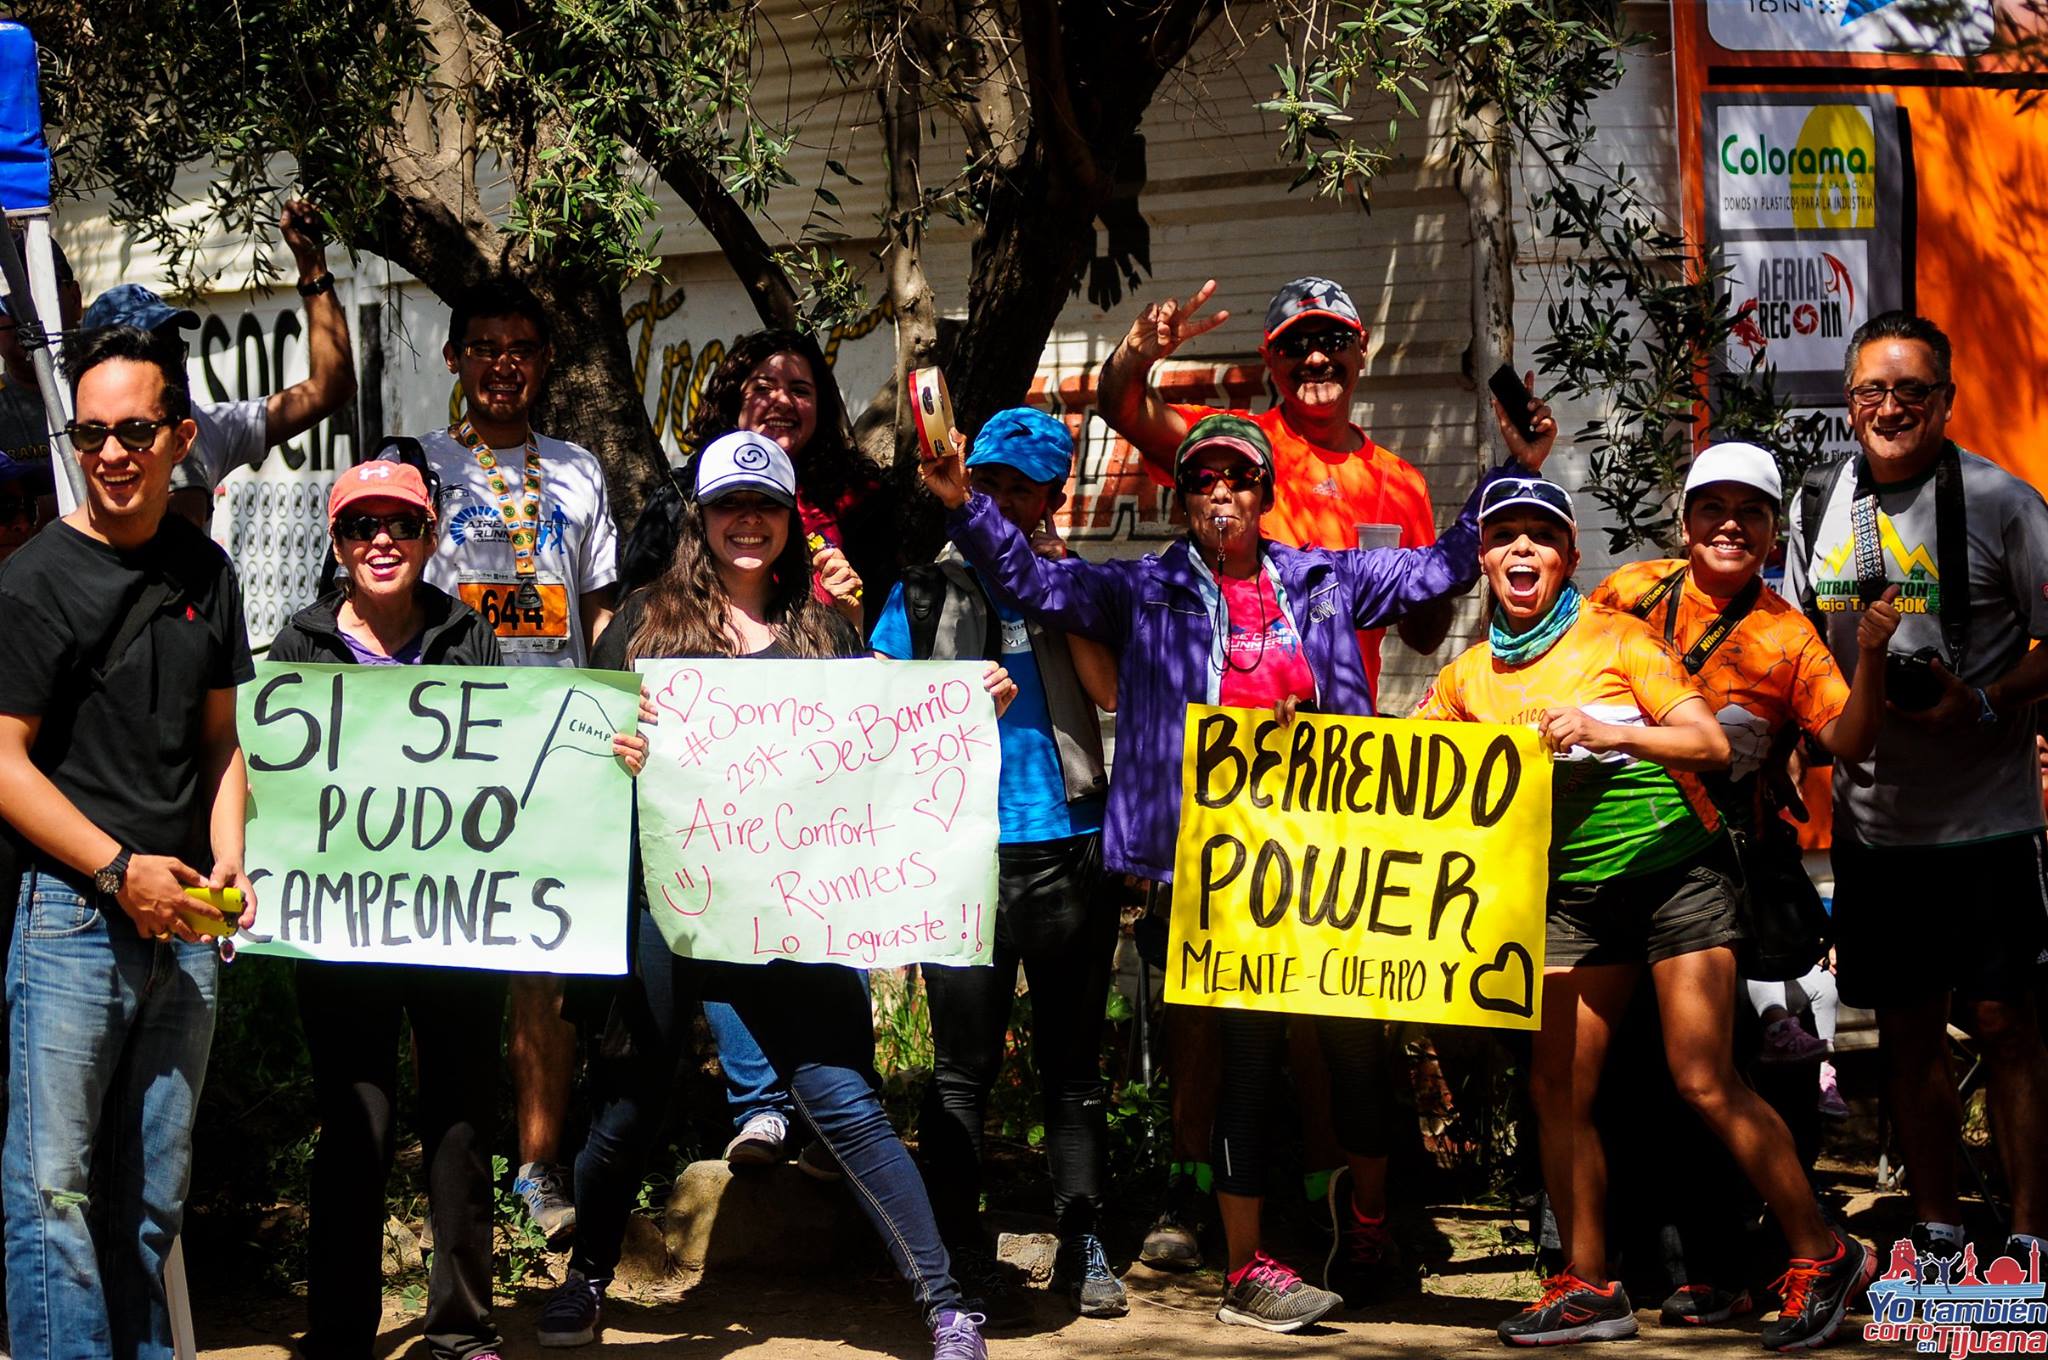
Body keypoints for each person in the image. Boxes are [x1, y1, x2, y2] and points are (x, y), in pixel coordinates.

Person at [922, 410, 1530, 1332]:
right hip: (1219, 873)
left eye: (1238, 479)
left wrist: (1508, 472)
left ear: (1263, 494)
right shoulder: (1143, 590)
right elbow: (1034, 582)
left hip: (1336, 863)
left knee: (1356, 1057)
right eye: (1203, 479)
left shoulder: (1327, 580)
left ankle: (1365, 1224)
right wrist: (968, 504)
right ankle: (1250, 1271)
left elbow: (1441, 566)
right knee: (1243, 1055)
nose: (1221, 493)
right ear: (1183, 498)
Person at [541, 431, 992, 1360]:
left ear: (790, 520)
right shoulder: (639, 625)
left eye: (766, 506)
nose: (747, 522)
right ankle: (586, 1278)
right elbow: (584, 757)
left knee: (844, 1099)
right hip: (667, 900)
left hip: (788, 908)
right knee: (628, 1104)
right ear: (700, 520)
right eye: (728, 506)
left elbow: (876, 746)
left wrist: (963, 699)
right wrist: (615, 752)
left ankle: (946, 1307)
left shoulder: (826, 631)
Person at [1412, 462, 1873, 1348]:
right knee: (1558, 1089)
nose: (1523, 548)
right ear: (1482, 555)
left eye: (1541, 537)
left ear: (1567, 556)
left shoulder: (1618, 638)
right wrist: (1295, 727)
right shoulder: (1468, 676)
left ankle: (1822, 1252)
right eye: (1506, 535)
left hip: (1675, 872)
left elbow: (1703, 741)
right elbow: (1400, 772)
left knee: (1702, 1078)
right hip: (1571, 897)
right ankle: (1588, 1283)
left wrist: (1608, 730)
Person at [1097, 276, 1449, 1261]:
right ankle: (1186, 1185)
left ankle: (1325, 1189)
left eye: (1333, 341)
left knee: (1331, 998)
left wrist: (1413, 589)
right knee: (1212, 1001)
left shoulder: (1400, 482)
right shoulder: (1237, 445)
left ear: (1361, 350)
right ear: (1271, 360)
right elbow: (1124, 406)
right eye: (1297, 345)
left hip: (1337, 769)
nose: (1316, 360)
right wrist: (1139, 347)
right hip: (1223, 780)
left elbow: (1422, 612)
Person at [269, 460, 612, 1360]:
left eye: (401, 525)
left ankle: (461, 1330)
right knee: (355, 1123)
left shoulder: (470, 637)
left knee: (460, 1123)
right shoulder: (297, 646)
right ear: (337, 546)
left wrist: (605, 751)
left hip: (457, 923)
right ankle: (341, 1331)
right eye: (359, 527)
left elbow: (506, 762)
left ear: (428, 538)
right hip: (340, 926)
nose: (380, 541)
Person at [1581, 436, 1900, 1326]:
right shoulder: (1628, 594)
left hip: (1724, 870)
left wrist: (1872, 651)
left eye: (1750, 513)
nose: (1729, 525)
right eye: (1712, 509)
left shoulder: (1788, 636)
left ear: (1770, 536)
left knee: (1710, 1075)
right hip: (1614, 859)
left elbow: (1848, 743)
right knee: (1634, 1073)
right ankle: (1653, 1263)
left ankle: (1730, 1261)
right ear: (1684, 523)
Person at [0, 324, 258, 1357]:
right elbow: (3, 763)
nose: (112, 452)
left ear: (179, 436)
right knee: (49, 1195)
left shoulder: (208, 566)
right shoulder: (32, 582)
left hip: (186, 919)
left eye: (135, 431)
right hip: (67, 918)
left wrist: (227, 854)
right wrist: (115, 870)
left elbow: (222, 744)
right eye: (92, 432)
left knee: (147, 1206)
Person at [1786, 310, 2048, 1270]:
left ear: (1945, 400)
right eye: (1870, 391)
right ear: (1849, 402)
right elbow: (1795, 650)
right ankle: (1937, 1229)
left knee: (2004, 1023)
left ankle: (2032, 1235)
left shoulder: (2003, 502)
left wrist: (1978, 701)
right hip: (1873, 825)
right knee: (1902, 1027)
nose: (1888, 408)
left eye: (1911, 391)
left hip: (1986, 822)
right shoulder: (1822, 500)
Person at [870, 406, 1122, 1323]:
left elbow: (1106, 690)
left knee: (1072, 1064)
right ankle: (955, 1249)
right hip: (960, 853)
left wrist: (1060, 587)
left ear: (1056, 497)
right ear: (970, 484)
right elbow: (880, 713)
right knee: (961, 1068)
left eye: (1028, 486)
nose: (1008, 500)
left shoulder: (1068, 584)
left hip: (1067, 841)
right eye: (995, 482)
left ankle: (1083, 1238)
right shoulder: (924, 591)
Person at [617, 327, 873, 1170]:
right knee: (725, 924)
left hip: (810, 793)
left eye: (801, 387)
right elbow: (640, 625)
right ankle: (762, 1106)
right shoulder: (672, 519)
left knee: (827, 929)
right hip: (703, 796)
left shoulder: (856, 499)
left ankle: (836, 1107)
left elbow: (876, 675)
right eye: (764, 384)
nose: (782, 400)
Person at [398, 278, 621, 1245]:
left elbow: (603, 608)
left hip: (557, 746)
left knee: (543, 966)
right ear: (454, 359)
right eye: (482, 346)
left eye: (521, 347)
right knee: (446, 957)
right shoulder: (417, 467)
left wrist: (615, 710)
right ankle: (446, 1162)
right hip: (446, 745)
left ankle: (537, 1171)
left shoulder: (576, 469)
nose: (502, 364)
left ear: (544, 363)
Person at [75, 200, 357, 531]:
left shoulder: (207, 429)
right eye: (143, 353)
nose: (167, 365)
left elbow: (330, 387)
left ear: (182, 441)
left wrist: (313, 268)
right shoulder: (77, 449)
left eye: (171, 348)